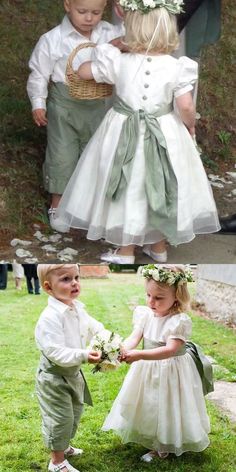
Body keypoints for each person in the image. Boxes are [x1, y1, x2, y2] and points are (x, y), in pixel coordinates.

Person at [54, 0, 220, 263]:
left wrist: (108, 48)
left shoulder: (119, 62)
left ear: (132, 29)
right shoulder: (177, 66)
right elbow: (186, 105)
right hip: (165, 131)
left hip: (123, 131)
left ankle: (126, 250)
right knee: (163, 185)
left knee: (127, 185)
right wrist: (189, 124)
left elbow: (82, 72)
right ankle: (159, 247)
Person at [27, 0, 124, 231]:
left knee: (96, 153)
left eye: (96, 12)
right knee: (62, 152)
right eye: (82, 12)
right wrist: (38, 103)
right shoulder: (53, 39)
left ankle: (90, 206)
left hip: (99, 104)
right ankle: (58, 204)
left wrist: (125, 18)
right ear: (67, 5)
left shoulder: (109, 31)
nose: (89, 18)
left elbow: (131, 40)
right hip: (64, 104)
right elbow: (39, 73)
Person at [102, 264, 213, 461]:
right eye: (148, 295)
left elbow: (170, 350)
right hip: (148, 368)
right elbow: (134, 337)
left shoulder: (178, 321)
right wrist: (122, 349)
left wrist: (140, 355)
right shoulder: (145, 314)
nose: (151, 301)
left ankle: (163, 443)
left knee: (166, 403)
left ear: (177, 296)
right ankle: (150, 435)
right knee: (149, 402)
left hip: (171, 370)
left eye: (159, 298)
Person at [35, 264, 104, 472]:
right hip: (54, 378)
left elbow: (93, 327)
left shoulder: (76, 308)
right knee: (60, 417)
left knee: (74, 412)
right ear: (48, 288)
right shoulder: (50, 317)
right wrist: (84, 355)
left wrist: (105, 338)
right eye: (66, 279)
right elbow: (55, 351)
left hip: (73, 374)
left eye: (76, 277)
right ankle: (56, 462)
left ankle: (63, 446)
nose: (74, 283)